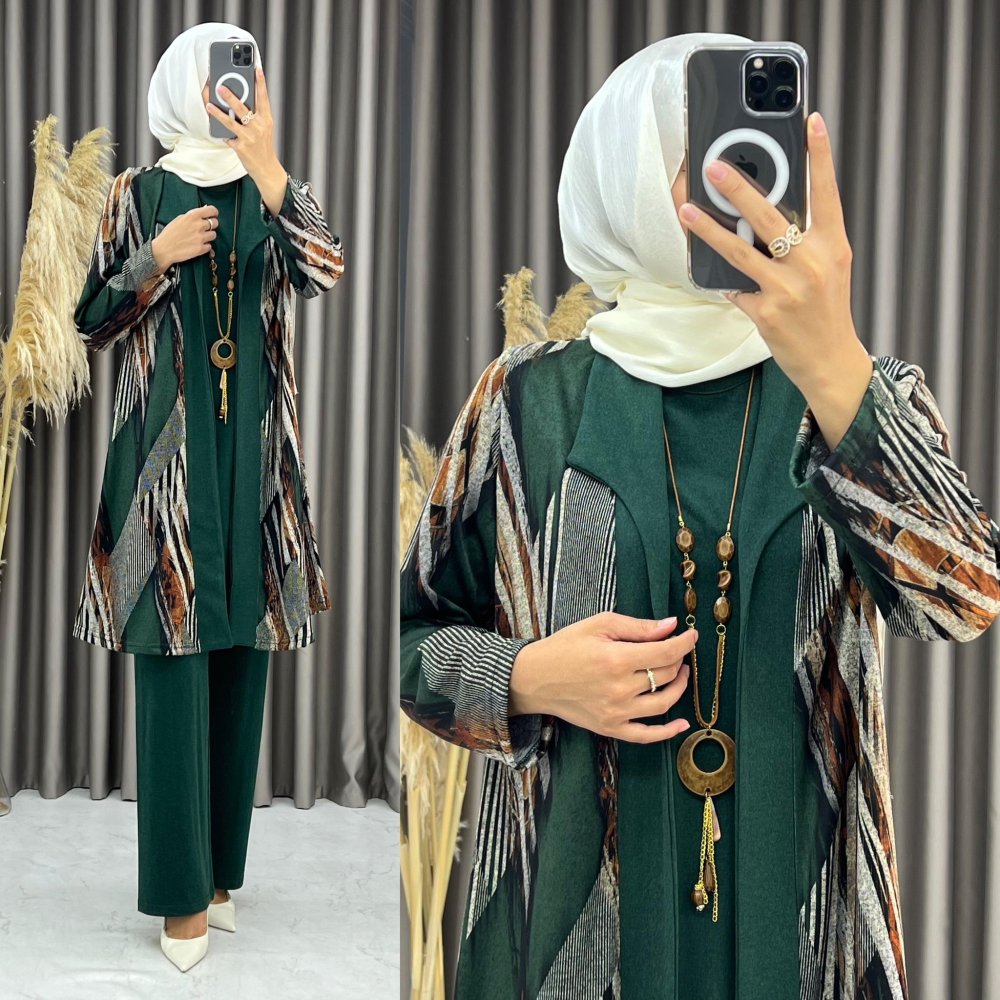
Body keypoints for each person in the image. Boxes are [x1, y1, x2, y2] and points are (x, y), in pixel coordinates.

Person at [399, 32, 1000, 999]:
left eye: (759, 154)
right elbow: (408, 643)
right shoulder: (526, 402)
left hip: (802, 940)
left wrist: (838, 367)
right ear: (626, 177)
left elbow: (965, 600)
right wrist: (529, 677)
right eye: (708, 151)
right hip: (576, 934)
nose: (741, 180)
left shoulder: (857, 396)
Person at [72, 21, 344, 973]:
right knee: (173, 671)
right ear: (185, 85)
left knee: (241, 664)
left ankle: (223, 877)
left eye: (250, 75)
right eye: (224, 76)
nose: (240, 90)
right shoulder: (135, 194)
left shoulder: (273, 189)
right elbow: (90, 322)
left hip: (257, 464)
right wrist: (154, 256)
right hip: (165, 467)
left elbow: (326, 269)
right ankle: (180, 897)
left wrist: (270, 170)